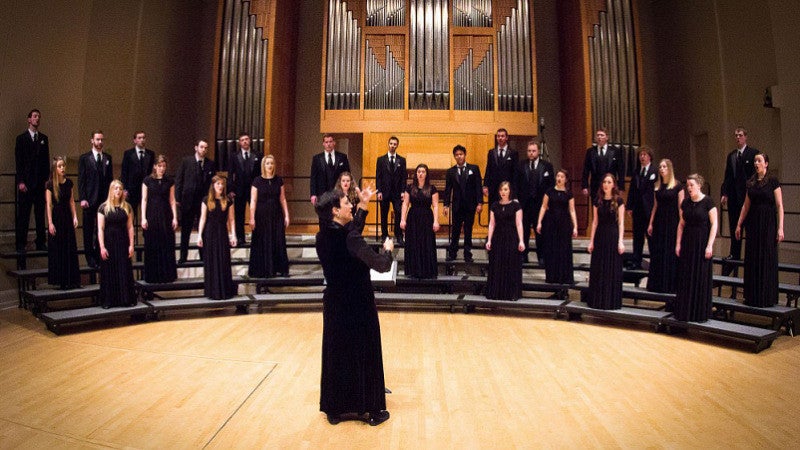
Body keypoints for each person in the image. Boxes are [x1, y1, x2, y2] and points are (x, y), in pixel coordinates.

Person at [315, 188, 394, 426]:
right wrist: (388, 251)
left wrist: (363, 205)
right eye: (347, 203)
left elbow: (350, 232)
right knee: (364, 352)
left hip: (335, 303)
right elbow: (380, 265)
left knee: (337, 353)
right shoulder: (350, 239)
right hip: (358, 304)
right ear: (335, 211)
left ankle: (335, 410)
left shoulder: (322, 236)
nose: (351, 205)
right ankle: (372, 410)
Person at [735, 153, 784, 308]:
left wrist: (781, 227)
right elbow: (745, 206)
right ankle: (753, 296)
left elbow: (779, 206)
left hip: (768, 224)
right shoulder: (751, 183)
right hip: (753, 224)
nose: (756, 163)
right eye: (755, 161)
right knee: (753, 256)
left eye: (759, 161)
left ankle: (766, 297)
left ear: (766, 164)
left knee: (766, 257)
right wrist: (739, 224)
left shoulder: (773, 182)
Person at [675, 174, 718, 322]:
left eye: (692, 185)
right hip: (688, 243)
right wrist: (678, 243)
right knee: (686, 276)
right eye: (687, 186)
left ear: (699, 185)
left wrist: (709, 245)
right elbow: (681, 224)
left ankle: (699, 313)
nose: (689, 188)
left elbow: (714, 224)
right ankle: (685, 312)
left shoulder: (708, 202)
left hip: (701, 244)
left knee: (700, 277)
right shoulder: (685, 203)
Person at [720, 127, 757, 269]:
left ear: (745, 137)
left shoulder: (753, 153)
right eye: (736, 136)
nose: (738, 138)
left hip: (747, 197)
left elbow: (753, 177)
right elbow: (728, 176)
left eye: (740, 135)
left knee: (749, 226)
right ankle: (734, 253)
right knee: (734, 225)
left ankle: (750, 254)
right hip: (734, 197)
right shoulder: (731, 156)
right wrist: (725, 193)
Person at [586, 174, 625, 310]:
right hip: (600, 236)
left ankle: (610, 301)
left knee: (611, 268)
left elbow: (621, 223)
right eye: (604, 182)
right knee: (599, 267)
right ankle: (597, 300)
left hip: (613, 236)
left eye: (609, 182)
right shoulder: (597, 201)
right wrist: (591, 241)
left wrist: (620, 241)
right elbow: (595, 222)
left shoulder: (619, 201)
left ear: (613, 184)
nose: (606, 184)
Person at [175, 140, 217, 263]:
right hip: (188, 201)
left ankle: (203, 256)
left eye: (206, 147)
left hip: (203, 202)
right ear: (196, 148)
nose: (204, 149)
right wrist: (178, 198)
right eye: (201, 147)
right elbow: (179, 180)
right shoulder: (186, 161)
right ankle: (183, 256)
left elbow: (212, 183)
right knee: (186, 230)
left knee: (203, 229)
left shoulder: (210, 164)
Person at [248, 155, 290, 278]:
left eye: (271, 163)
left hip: (276, 214)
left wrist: (286, 215)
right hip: (261, 215)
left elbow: (282, 199)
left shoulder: (279, 180)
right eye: (267, 163)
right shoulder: (257, 181)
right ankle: (263, 269)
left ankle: (278, 268)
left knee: (278, 240)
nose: (270, 165)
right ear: (263, 165)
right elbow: (253, 201)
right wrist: (251, 217)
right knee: (262, 241)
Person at [646, 159, 684, 294]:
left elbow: (681, 207)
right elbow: (655, 207)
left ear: (669, 169)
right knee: (658, 252)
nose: (661, 169)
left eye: (664, 167)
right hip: (659, 223)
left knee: (670, 252)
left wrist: (682, 223)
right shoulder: (657, 186)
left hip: (673, 222)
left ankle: (670, 285)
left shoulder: (678, 186)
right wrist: (650, 223)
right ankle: (657, 284)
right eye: (660, 167)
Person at [15, 109, 50, 253]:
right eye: (35, 116)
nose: (37, 119)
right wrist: (21, 181)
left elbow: (46, 160)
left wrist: (47, 179)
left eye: (39, 117)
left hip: (40, 182)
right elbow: (19, 161)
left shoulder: (43, 138)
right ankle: (20, 243)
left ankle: (41, 241)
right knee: (23, 214)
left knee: (40, 213)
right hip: (27, 182)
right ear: (29, 119)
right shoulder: (21, 139)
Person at [197, 175, 237, 300]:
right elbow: (203, 219)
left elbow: (231, 220)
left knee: (223, 260)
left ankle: (224, 290)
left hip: (222, 233)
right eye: (218, 184)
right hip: (209, 233)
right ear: (213, 185)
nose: (220, 186)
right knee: (211, 261)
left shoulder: (228, 201)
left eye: (222, 184)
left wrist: (233, 235)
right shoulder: (206, 200)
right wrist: (199, 235)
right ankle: (212, 291)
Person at [97, 180, 136, 308]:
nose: (118, 191)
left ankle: (125, 299)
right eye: (115, 188)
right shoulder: (103, 208)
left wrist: (131, 245)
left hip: (123, 242)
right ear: (111, 191)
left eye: (120, 188)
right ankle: (108, 301)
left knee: (123, 270)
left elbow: (130, 227)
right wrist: (102, 247)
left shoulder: (127, 207)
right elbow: (100, 229)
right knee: (109, 271)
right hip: (109, 243)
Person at [78, 130, 114, 268]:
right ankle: (90, 257)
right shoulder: (85, 158)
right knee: (88, 229)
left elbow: (110, 180)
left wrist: (110, 199)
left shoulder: (107, 158)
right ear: (92, 141)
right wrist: (82, 198)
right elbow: (81, 180)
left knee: (102, 228)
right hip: (89, 199)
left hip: (103, 201)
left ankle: (100, 255)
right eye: (97, 139)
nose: (100, 142)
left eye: (101, 139)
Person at [515, 140, 554, 264]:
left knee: (540, 231)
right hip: (525, 204)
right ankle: (523, 255)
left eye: (533, 151)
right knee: (524, 230)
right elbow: (516, 184)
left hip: (540, 204)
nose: (531, 153)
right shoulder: (521, 165)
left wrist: (548, 203)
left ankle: (541, 256)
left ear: (538, 151)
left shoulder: (547, 166)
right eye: (529, 151)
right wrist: (516, 200)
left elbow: (551, 185)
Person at [536, 169, 578, 285]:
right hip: (551, 223)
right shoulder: (549, 192)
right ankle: (552, 276)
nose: (559, 178)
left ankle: (564, 277)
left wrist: (575, 226)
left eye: (562, 177)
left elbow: (572, 210)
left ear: (566, 179)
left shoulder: (569, 193)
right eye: (558, 176)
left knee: (564, 250)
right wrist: (539, 222)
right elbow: (543, 207)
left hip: (564, 223)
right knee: (551, 249)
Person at [141, 155, 178, 283]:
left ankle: (166, 275)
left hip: (166, 214)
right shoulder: (147, 181)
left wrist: (175, 217)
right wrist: (143, 218)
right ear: (155, 167)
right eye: (160, 166)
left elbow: (172, 200)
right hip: (152, 214)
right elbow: (144, 200)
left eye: (164, 166)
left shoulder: (169, 181)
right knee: (153, 243)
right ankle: (153, 276)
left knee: (166, 244)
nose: (162, 168)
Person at [485, 182, 524, 300]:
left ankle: (511, 294)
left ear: (510, 191)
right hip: (498, 238)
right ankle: (496, 293)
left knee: (510, 265)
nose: (503, 192)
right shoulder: (494, 205)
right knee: (497, 265)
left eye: (506, 189)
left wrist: (521, 240)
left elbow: (519, 224)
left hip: (511, 237)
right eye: (501, 189)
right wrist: (489, 240)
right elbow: (492, 224)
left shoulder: (516, 206)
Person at [45, 156, 80, 290]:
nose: (62, 168)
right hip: (57, 217)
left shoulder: (69, 183)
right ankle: (59, 279)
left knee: (69, 246)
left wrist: (75, 217)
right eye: (60, 166)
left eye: (63, 166)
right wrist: (50, 223)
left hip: (67, 216)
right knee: (58, 247)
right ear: (55, 169)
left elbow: (71, 201)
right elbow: (48, 205)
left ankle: (71, 279)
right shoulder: (49, 184)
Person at [443, 144, 482, 262]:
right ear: (454, 156)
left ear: (465, 155)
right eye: (457, 155)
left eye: (461, 154)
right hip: (457, 206)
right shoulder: (451, 171)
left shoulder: (474, 169)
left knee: (468, 230)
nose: (459, 156)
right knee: (455, 230)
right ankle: (453, 253)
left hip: (470, 205)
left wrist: (480, 203)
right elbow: (448, 189)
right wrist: (446, 205)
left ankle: (467, 253)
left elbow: (478, 187)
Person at [400, 164, 439, 279]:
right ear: (415, 174)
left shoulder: (432, 188)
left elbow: (436, 205)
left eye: (423, 171)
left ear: (426, 174)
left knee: (426, 243)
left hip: (427, 217)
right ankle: (413, 271)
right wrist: (403, 219)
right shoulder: (409, 187)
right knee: (413, 243)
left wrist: (436, 221)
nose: (420, 173)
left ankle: (427, 271)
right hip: (413, 218)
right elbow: (405, 204)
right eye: (418, 171)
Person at [626, 146, 657, 269]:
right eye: (640, 155)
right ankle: (636, 261)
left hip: (649, 209)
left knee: (651, 237)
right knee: (637, 237)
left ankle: (654, 263)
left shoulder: (654, 171)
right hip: (638, 210)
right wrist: (629, 206)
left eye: (644, 154)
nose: (642, 157)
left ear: (650, 157)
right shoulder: (636, 171)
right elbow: (632, 190)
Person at [228, 133, 261, 246]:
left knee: (256, 214)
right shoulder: (234, 156)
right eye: (242, 140)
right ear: (239, 142)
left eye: (247, 139)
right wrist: (230, 189)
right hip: (239, 190)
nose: (245, 141)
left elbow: (260, 174)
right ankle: (241, 238)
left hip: (254, 190)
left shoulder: (258, 154)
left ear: (250, 140)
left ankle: (257, 237)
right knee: (239, 215)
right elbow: (230, 173)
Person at [120, 131, 155, 236]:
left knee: (147, 216)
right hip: (132, 190)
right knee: (131, 215)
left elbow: (152, 173)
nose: (142, 140)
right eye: (139, 138)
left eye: (144, 137)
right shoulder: (128, 154)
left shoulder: (150, 154)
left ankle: (147, 239)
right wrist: (124, 189)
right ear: (134, 140)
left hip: (146, 190)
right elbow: (124, 172)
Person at [375, 136, 407, 243]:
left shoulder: (402, 160)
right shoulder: (381, 160)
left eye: (395, 144)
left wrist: (403, 191)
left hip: (397, 192)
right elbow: (378, 176)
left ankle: (398, 235)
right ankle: (384, 235)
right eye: (391, 143)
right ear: (388, 144)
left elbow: (403, 177)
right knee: (384, 214)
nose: (393, 146)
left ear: (397, 145)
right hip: (384, 191)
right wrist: (378, 191)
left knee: (398, 212)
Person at [581, 128, 625, 202]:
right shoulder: (590, 152)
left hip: (611, 186)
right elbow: (586, 170)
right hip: (595, 186)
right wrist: (584, 186)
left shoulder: (615, 151)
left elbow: (620, 170)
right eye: (598, 135)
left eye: (602, 135)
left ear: (607, 137)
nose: (599, 137)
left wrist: (621, 187)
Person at [310, 134, 350, 206]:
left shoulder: (342, 157)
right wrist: (313, 194)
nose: (328, 144)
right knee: (323, 216)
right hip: (321, 194)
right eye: (326, 142)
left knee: (338, 216)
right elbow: (313, 178)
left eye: (330, 142)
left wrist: (347, 191)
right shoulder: (317, 158)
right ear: (323, 144)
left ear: (334, 143)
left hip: (338, 193)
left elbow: (347, 174)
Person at [483, 128, 518, 206]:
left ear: (506, 137)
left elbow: (515, 173)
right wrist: (485, 185)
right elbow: (488, 169)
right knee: (493, 210)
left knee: (507, 212)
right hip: (493, 188)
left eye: (502, 136)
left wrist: (514, 190)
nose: (500, 138)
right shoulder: (491, 152)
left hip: (507, 188)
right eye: (498, 136)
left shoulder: (513, 153)